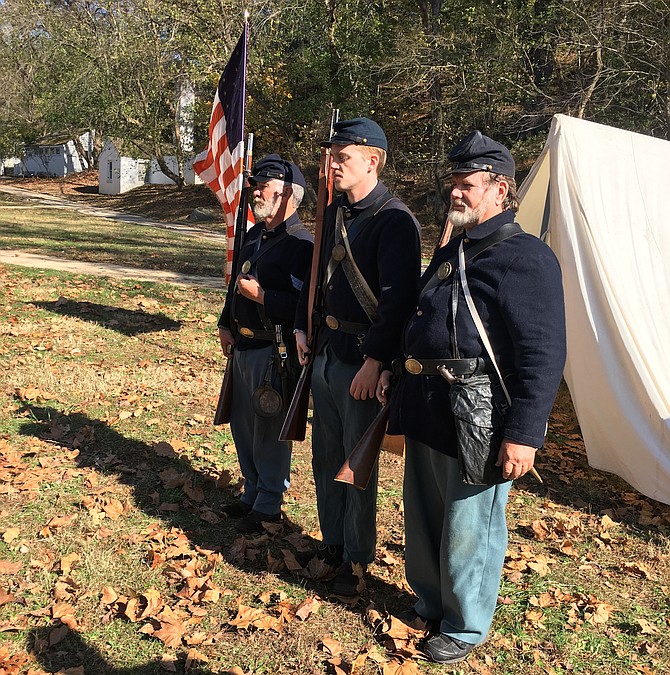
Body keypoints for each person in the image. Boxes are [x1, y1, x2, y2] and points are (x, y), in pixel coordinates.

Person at [381, 131, 566, 663]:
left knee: (469, 525)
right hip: (427, 404)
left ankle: (464, 624)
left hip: (478, 415)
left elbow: (543, 352)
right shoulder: (454, 249)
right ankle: (431, 599)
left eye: (467, 185)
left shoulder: (525, 258)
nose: (455, 194)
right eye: (454, 185)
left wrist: (525, 435)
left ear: (500, 188)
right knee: (425, 515)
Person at [294, 117, 421, 596]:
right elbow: (319, 284)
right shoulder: (336, 213)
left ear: (373, 160)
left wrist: (376, 360)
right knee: (326, 456)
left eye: (341, 156)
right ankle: (332, 542)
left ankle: (357, 559)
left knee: (355, 464)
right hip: (325, 352)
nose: (332, 165)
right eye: (330, 156)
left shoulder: (394, 220)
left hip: (361, 361)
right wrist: (306, 330)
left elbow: (399, 303)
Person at [218, 154, 313, 533]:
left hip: (272, 350)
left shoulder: (302, 245)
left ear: (289, 193)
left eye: (265, 185)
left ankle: (270, 502)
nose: (256, 191)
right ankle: (252, 492)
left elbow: (303, 307)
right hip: (242, 345)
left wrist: (262, 298)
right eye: (255, 184)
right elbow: (233, 284)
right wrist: (226, 321)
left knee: (268, 428)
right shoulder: (255, 235)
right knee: (243, 425)